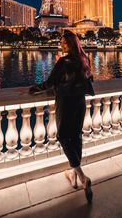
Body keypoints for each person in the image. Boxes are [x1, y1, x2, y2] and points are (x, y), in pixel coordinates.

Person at [29, 30, 94, 203]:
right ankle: (72, 174)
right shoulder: (84, 59)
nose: (61, 44)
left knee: (63, 136)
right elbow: (89, 79)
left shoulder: (64, 62)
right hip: (80, 103)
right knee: (76, 136)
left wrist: (31, 90)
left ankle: (82, 176)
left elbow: (49, 83)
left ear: (71, 44)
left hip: (65, 104)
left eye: (64, 42)